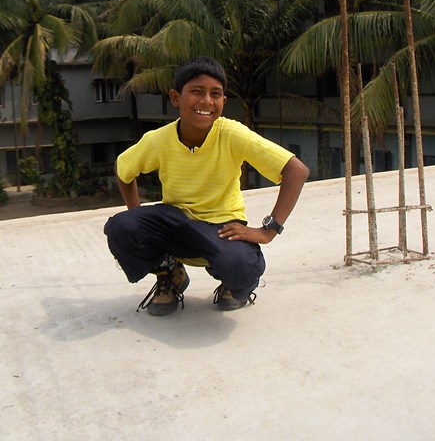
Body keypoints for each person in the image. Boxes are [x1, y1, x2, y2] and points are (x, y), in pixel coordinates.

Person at [104, 56, 309, 316]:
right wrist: (137, 215)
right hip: (175, 223)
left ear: (223, 101)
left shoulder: (232, 134)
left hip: (222, 229)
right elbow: (123, 169)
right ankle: (170, 272)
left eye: (216, 94)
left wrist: (268, 230)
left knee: (242, 265)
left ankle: (232, 285)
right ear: (176, 97)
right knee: (122, 227)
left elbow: (296, 171)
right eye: (196, 92)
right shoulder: (159, 140)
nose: (206, 101)